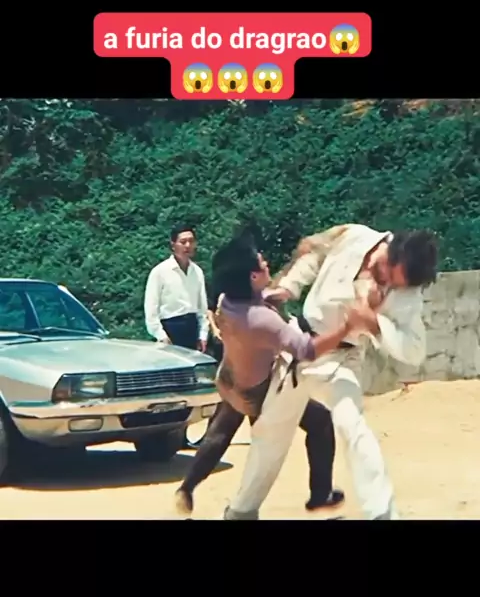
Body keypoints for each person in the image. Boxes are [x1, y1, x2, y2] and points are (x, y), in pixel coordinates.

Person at [223, 224, 438, 520]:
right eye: (388, 272)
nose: (387, 282)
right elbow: (315, 255)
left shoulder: (407, 296)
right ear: (390, 250)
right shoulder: (355, 237)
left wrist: (375, 323)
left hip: (339, 359)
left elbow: (414, 350)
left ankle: (382, 513)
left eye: (395, 284)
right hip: (300, 346)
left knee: (352, 426)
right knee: (269, 431)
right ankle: (241, 510)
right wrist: (289, 287)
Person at [174, 234, 374, 518]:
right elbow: (305, 349)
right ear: (253, 276)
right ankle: (318, 494)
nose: (266, 262)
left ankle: (187, 487)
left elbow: (262, 298)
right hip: (259, 392)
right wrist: (347, 327)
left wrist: (280, 287)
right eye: (262, 262)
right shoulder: (262, 319)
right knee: (316, 423)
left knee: (221, 431)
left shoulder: (228, 300)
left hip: (230, 377)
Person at [144, 223, 209, 352]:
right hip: (170, 329)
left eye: (191, 241)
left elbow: (202, 308)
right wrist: (161, 336)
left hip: (192, 328)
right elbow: (151, 310)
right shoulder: (160, 272)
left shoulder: (197, 271)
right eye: (183, 242)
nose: (187, 246)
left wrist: (203, 335)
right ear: (173, 245)